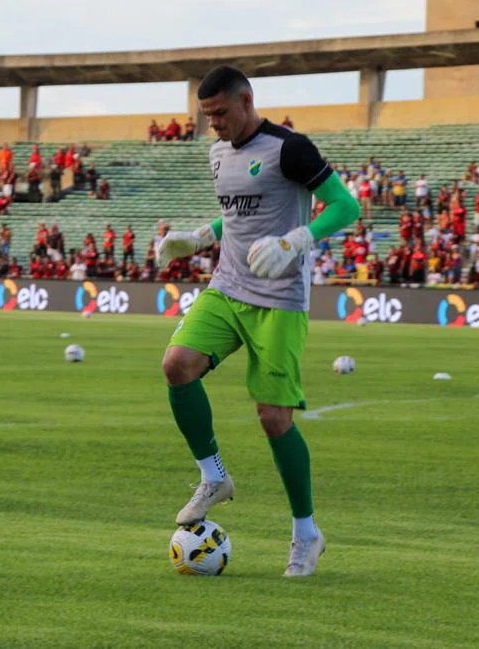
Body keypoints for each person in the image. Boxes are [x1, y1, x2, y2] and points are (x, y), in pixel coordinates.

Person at [156, 66, 359, 577]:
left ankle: (306, 534)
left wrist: (298, 240)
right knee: (177, 364)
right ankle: (213, 477)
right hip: (228, 286)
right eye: (207, 117)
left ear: (246, 101)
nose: (214, 125)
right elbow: (242, 215)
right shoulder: (217, 154)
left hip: (280, 298)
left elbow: (345, 205)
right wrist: (200, 236)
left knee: (274, 419)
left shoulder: (290, 148)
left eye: (221, 113)